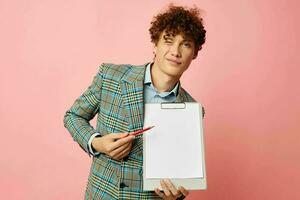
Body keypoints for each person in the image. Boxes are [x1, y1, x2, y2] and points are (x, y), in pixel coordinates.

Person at [64, 4, 206, 200]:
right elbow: (73, 116)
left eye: (186, 44)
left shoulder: (192, 110)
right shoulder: (111, 76)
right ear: (155, 45)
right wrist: (98, 142)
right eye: (168, 41)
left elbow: (179, 174)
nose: (175, 51)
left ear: (195, 53)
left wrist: (176, 195)